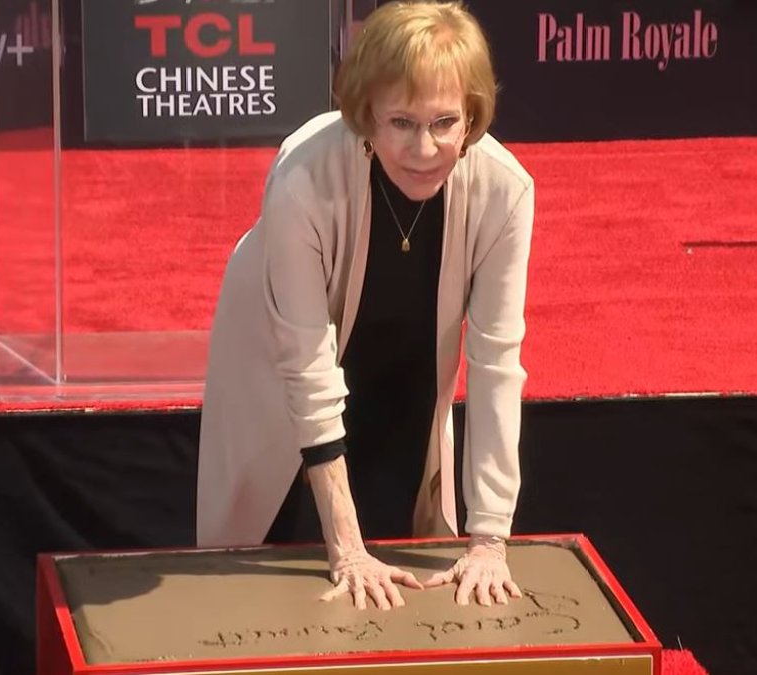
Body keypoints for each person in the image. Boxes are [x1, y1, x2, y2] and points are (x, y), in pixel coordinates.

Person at [197, 0, 534, 612]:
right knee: (275, 559)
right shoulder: (303, 173)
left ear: (472, 117)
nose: (425, 147)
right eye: (401, 122)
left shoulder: (506, 192)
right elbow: (304, 365)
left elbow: (496, 365)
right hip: (280, 359)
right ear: (366, 116)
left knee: (401, 514)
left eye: (444, 122)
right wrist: (347, 549)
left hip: (404, 354)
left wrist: (490, 539)